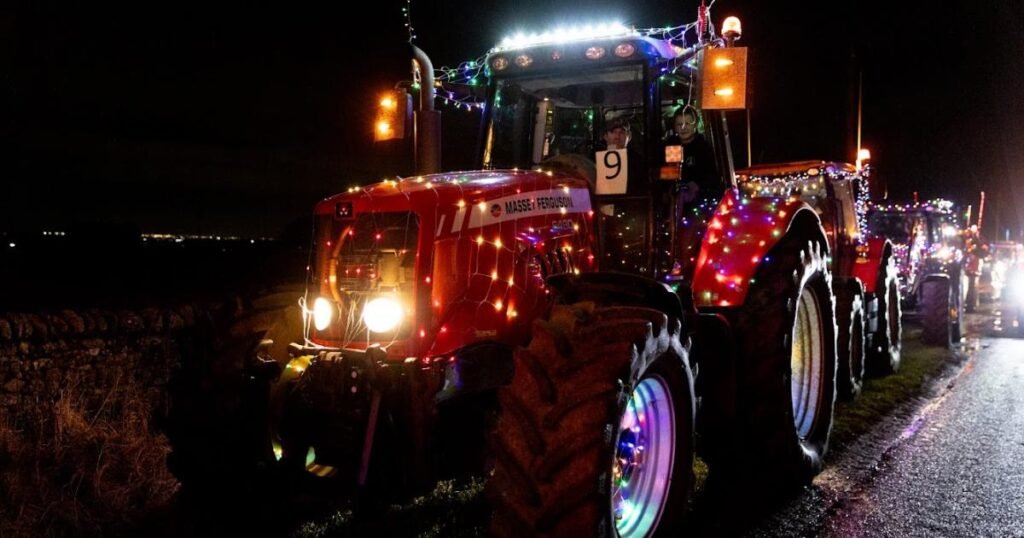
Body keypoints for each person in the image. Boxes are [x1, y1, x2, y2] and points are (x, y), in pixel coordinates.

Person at [665, 106, 721, 203]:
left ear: (695, 125)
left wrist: (696, 185)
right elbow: (672, 173)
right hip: (678, 197)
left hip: (701, 197)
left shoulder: (702, 146)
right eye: (679, 124)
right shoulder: (673, 145)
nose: (683, 127)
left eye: (687, 123)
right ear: (674, 127)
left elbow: (711, 176)